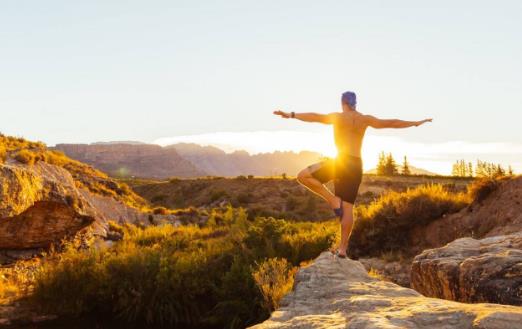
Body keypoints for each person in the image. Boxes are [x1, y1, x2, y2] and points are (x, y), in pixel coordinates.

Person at [273, 91, 432, 258]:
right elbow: (391, 122)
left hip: (340, 162)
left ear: (342, 103)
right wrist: (415, 123)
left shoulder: (338, 117)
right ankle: (343, 249)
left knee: (303, 176)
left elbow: (315, 117)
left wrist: (291, 114)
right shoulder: (365, 119)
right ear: (356, 103)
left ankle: (332, 199)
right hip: (356, 165)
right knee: (348, 207)